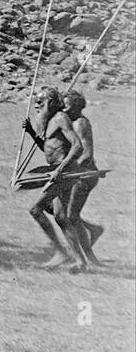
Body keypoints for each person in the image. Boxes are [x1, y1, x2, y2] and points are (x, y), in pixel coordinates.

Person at [21, 87, 86, 268]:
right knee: (60, 217)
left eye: (41, 102)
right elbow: (48, 148)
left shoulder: (60, 118)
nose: (37, 106)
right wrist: (32, 133)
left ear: (51, 102)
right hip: (57, 171)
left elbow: (77, 146)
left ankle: (61, 252)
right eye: (37, 102)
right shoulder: (51, 121)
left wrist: (60, 169)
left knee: (35, 209)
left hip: (64, 172)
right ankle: (80, 261)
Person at [62, 89, 104, 266]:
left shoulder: (80, 124)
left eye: (66, 106)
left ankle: (88, 258)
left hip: (84, 175)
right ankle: (93, 230)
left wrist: (67, 169)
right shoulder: (72, 122)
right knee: (67, 214)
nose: (63, 110)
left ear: (75, 107)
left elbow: (87, 154)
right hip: (76, 173)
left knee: (71, 216)